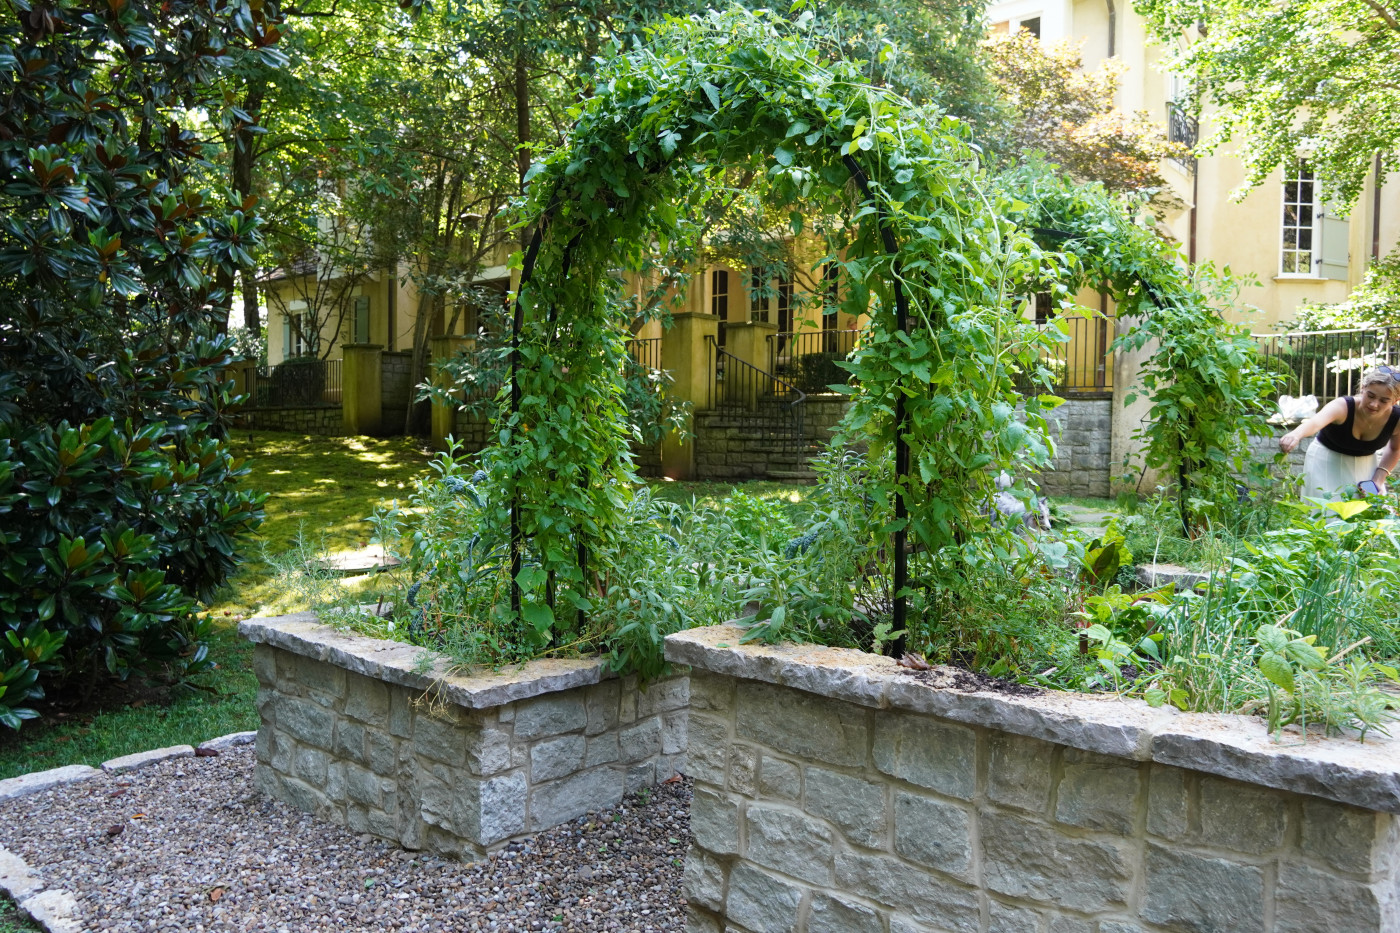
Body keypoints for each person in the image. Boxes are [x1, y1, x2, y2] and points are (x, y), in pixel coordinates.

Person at [1279, 367, 1400, 498]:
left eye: (1384, 400)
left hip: (1366, 466)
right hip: (1325, 462)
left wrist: (1378, 479)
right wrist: (1296, 434)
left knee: (1366, 513)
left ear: (1395, 401)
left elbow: (1395, 449)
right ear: (1363, 388)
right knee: (1326, 512)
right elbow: (1315, 422)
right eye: (1370, 396)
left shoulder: (1397, 419)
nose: (1374, 404)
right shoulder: (1343, 406)